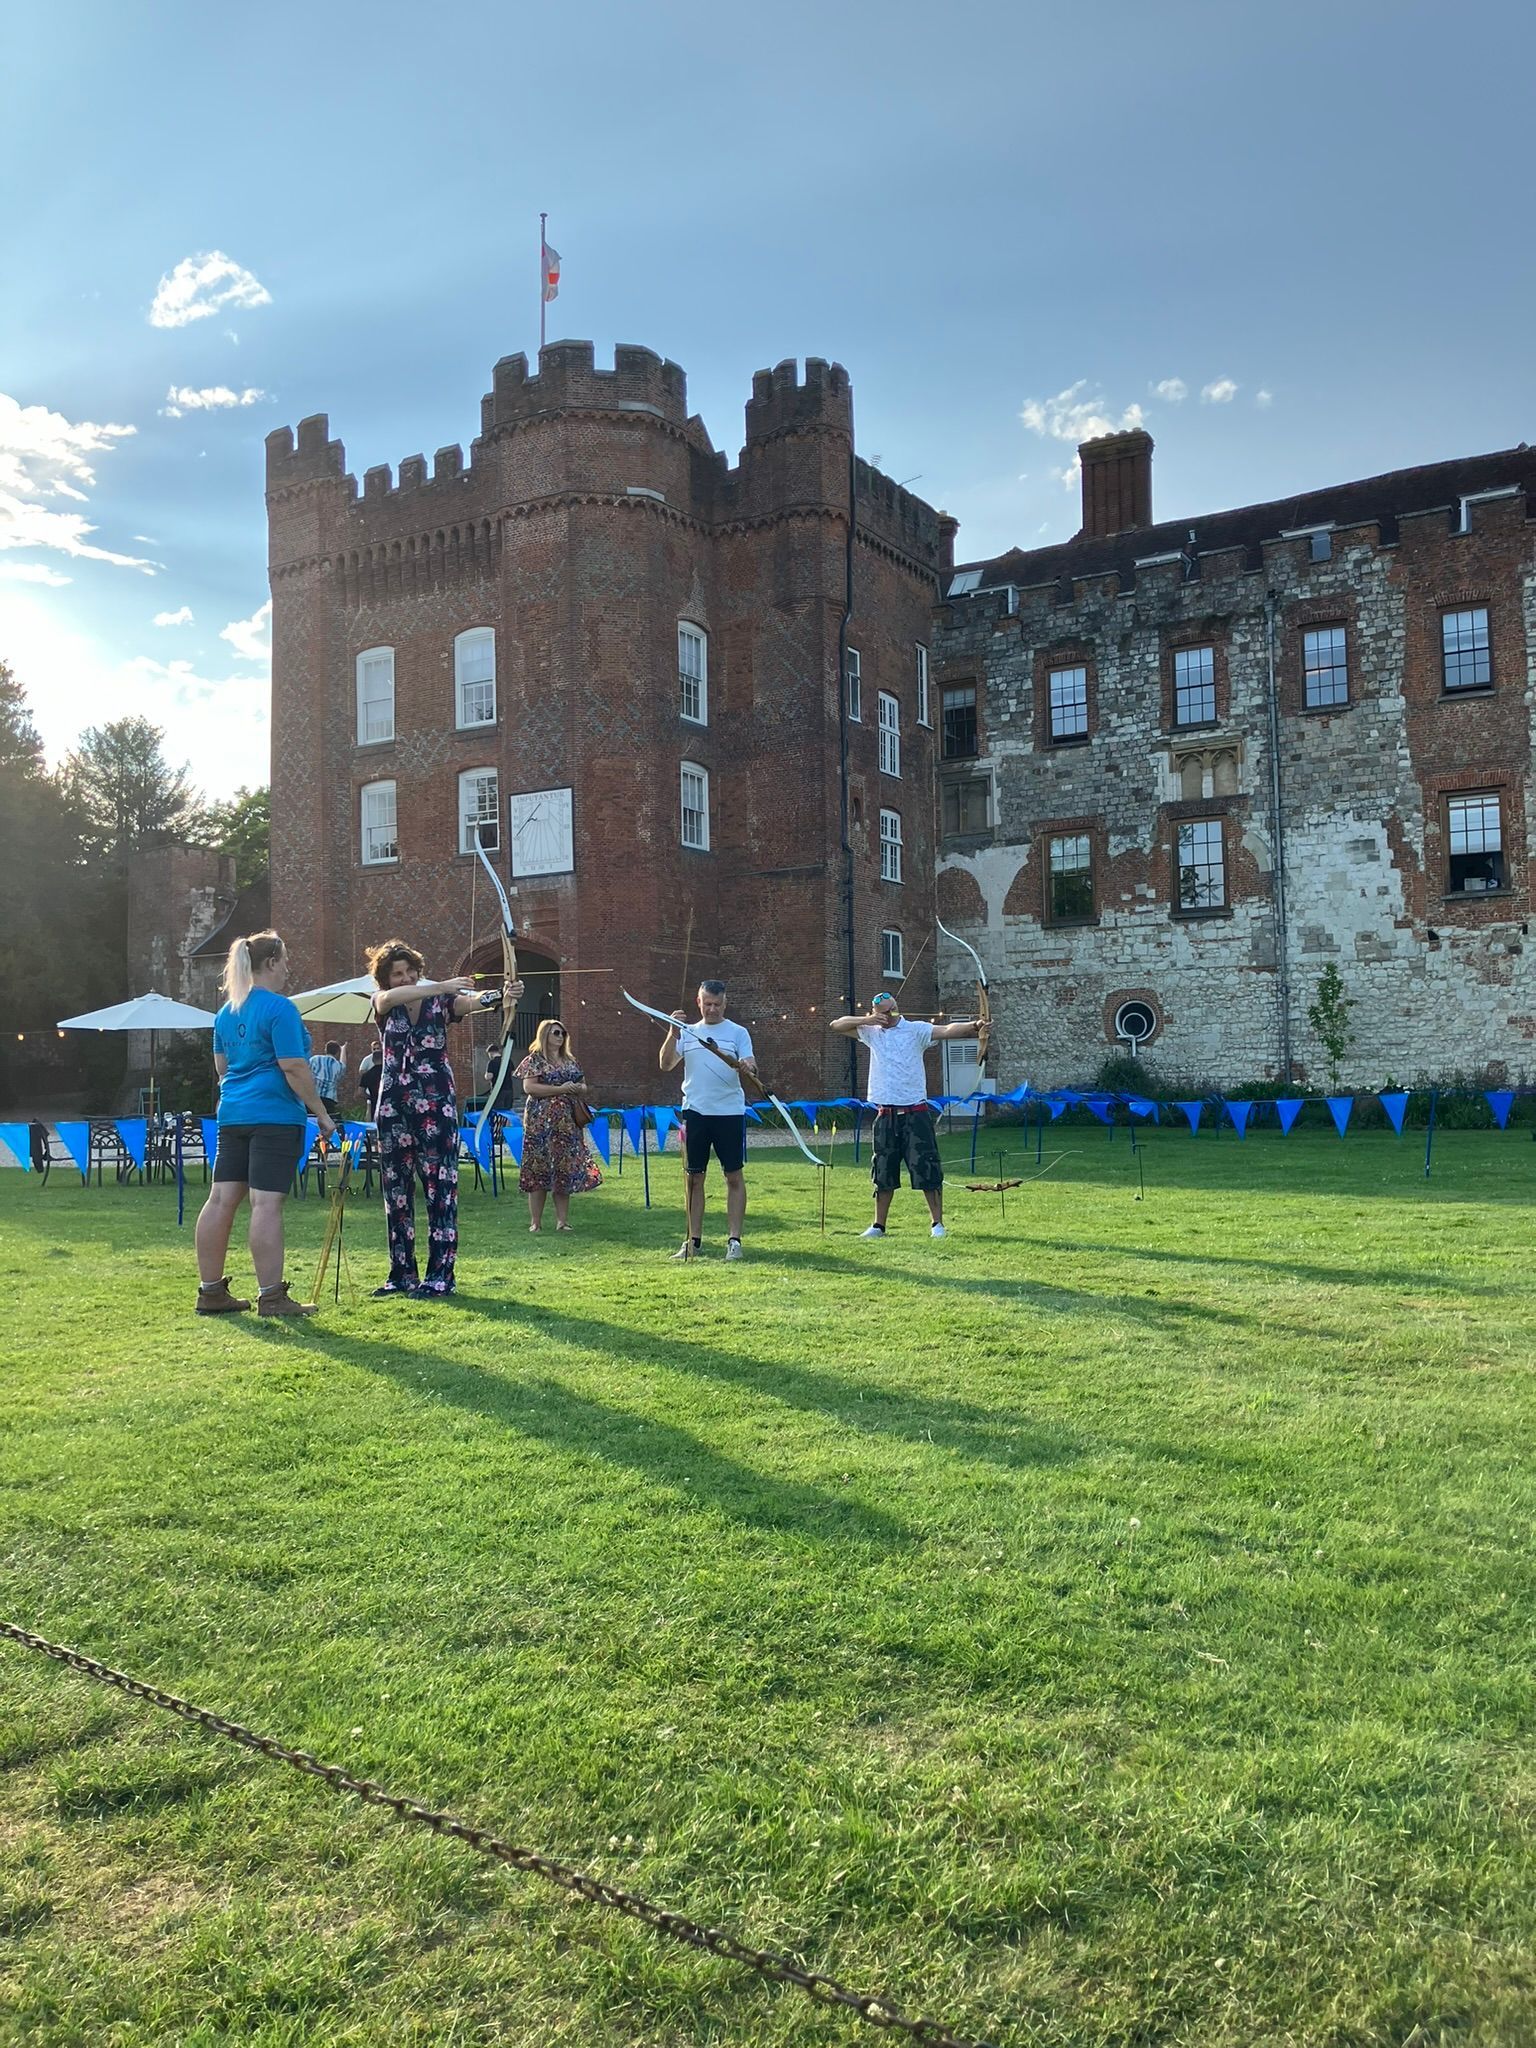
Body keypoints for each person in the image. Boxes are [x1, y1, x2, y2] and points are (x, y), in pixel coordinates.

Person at [368, 938, 521, 1298]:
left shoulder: (441, 1002)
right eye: (397, 974)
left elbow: (472, 1002)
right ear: (386, 979)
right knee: (396, 1192)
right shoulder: (383, 1002)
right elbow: (389, 1000)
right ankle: (401, 1274)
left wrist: (503, 995)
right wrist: (440, 985)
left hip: (437, 1107)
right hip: (393, 1108)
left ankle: (440, 1277)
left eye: (410, 972)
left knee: (441, 1190)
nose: (405, 979)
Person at [194, 930, 336, 1317]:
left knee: (220, 1200)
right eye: (285, 960)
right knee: (266, 1203)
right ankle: (271, 1297)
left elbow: (222, 1068)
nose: (288, 968)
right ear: (271, 962)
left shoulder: (227, 1012)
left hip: (232, 1115)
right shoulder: (280, 1009)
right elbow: (293, 1066)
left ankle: (211, 1292)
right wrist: (322, 1114)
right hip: (274, 1116)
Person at [830, 991, 981, 1239]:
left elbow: (947, 1030)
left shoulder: (915, 1030)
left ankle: (937, 1224)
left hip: (915, 1112)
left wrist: (975, 1026)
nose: (887, 1017)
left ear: (897, 1008)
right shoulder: (871, 1032)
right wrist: (867, 1020)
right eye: (881, 1013)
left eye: (890, 1011)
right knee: (882, 1170)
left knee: (927, 1167)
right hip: (885, 1113)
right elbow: (836, 1025)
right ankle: (878, 1226)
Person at [659, 978, 756, 1262]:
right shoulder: (688, 1032)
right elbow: (665, 1064)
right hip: (695, 1112)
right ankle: (693, 1240)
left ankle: (734, 1241)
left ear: (725, 1004)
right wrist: (672, 1033)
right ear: (698, 1002)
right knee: (694, 1178)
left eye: (717, 1004)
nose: (712, 1009)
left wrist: (747, 1067)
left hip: (729, 1113)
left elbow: (751, 1066)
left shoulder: (738, 1032)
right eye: (707, 1004)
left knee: (733, 1176)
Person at [515, 1019, 602, 1231]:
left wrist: (578, 1088)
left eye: (563, 1033)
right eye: (556, 1033)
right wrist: (560, 1089)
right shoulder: (534, 1060)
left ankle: (562, 1221)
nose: (560, 1037)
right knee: (538, 1170)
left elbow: (584, 1085)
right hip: (540, 1125)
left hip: (567, 1124)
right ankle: (535, 1222)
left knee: (563, 1170)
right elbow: (530, 1087)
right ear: (545, 1034)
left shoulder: (570, 1061)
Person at [308, 1039, 346, 1122]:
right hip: (329, 1099)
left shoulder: (315, 1059)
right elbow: (343, 1064)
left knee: (311, 1120)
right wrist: (343, 1050)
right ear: (337, 1053)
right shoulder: (339, 1066)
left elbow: (307, 1074)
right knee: (327, 1121)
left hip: (313, 1096)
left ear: (325, 1050)